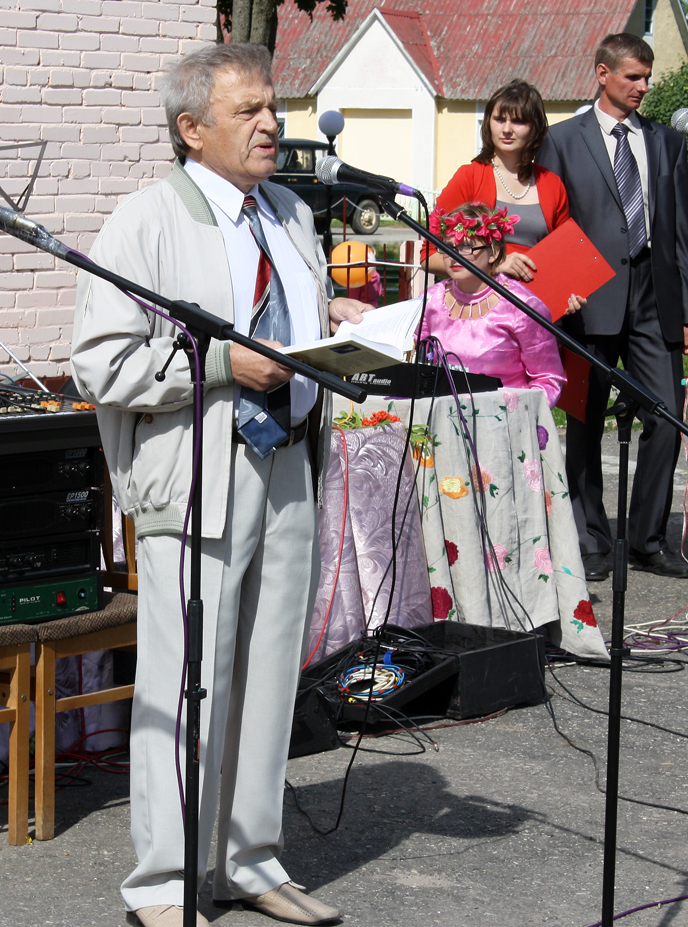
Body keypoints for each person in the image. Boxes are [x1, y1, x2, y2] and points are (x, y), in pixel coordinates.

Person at [70, 44, 372, 927]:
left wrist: (342, 329)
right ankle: (162, 884)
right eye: (249, 112)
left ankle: (249, 860)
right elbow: (100, 363)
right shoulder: (147, 221)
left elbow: (293, 324)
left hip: (288, 466)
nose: (272, 124)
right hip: (199, 476)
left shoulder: (291, 214)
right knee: (185, 684)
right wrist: (220, 365)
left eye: (273, 107)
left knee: (270, 680)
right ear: (192, 129)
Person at [536, 33, 688, 581]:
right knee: (585, 423)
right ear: (602, 74)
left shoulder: (666, 143)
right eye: (633, 76)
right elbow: (552, 225)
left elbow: (680, 232)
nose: (643, 86)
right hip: (588, 300)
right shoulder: (562, 140)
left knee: (667, 416)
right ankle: (590, 539)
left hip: (655, 299)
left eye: (647, 77)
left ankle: (648, 539)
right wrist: (558, 298)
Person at [421, 79, 581, 314]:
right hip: (479, 313)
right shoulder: (469, 177)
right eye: (499, 119)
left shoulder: (552, 184)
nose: (507, 129)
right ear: (488, 123)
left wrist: (568, 294)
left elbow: (565, 258)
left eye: (518, 121)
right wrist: (493, 265)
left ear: (535, 127)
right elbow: (428, 256)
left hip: (537, 311)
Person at [418, 202, 566, 408]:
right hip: (441, 415)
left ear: (494, 252)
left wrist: (518, 415)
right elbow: (416, 362)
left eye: (466, 247)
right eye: (448, 247)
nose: (453, 255)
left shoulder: (522, 306)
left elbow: (548, 378)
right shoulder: (430, 300)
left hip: (505, 418)